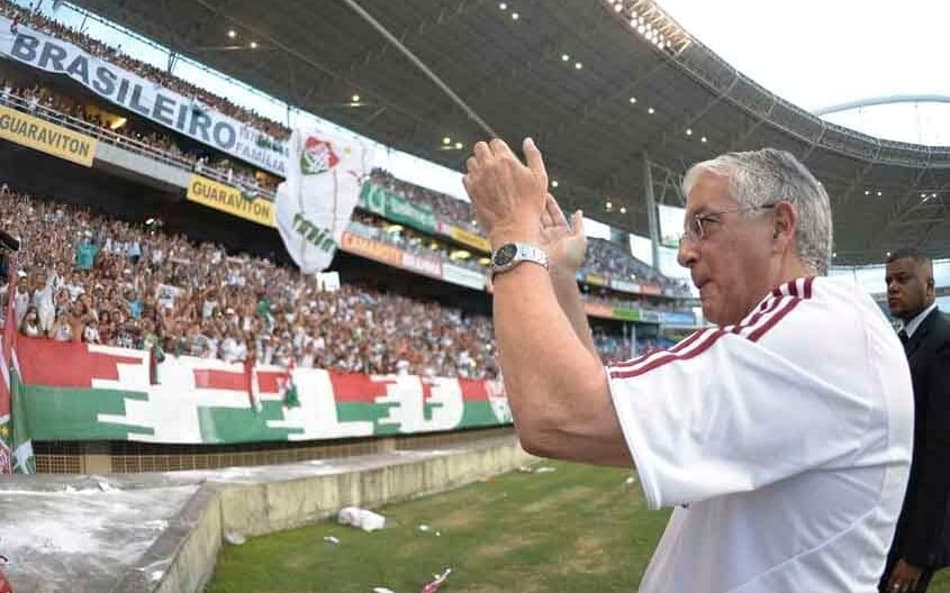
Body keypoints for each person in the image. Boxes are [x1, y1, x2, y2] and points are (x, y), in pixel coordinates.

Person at [463, 140, 914, 592]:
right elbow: (608, 419)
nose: (684, 253)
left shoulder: (818, 332)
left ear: (780, 227)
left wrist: (510, 231)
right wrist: (559, 277)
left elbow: (559, 414)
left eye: (704, 225)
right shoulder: (810, 335)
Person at [880, 249, 950, 593]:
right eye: (888, 280)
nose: (893, 287)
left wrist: (918, 554)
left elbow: (941, 458)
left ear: (930, 286)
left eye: (903, 279)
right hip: (890, 521)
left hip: (913, 537)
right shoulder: (901, 342)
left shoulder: (944, 342)